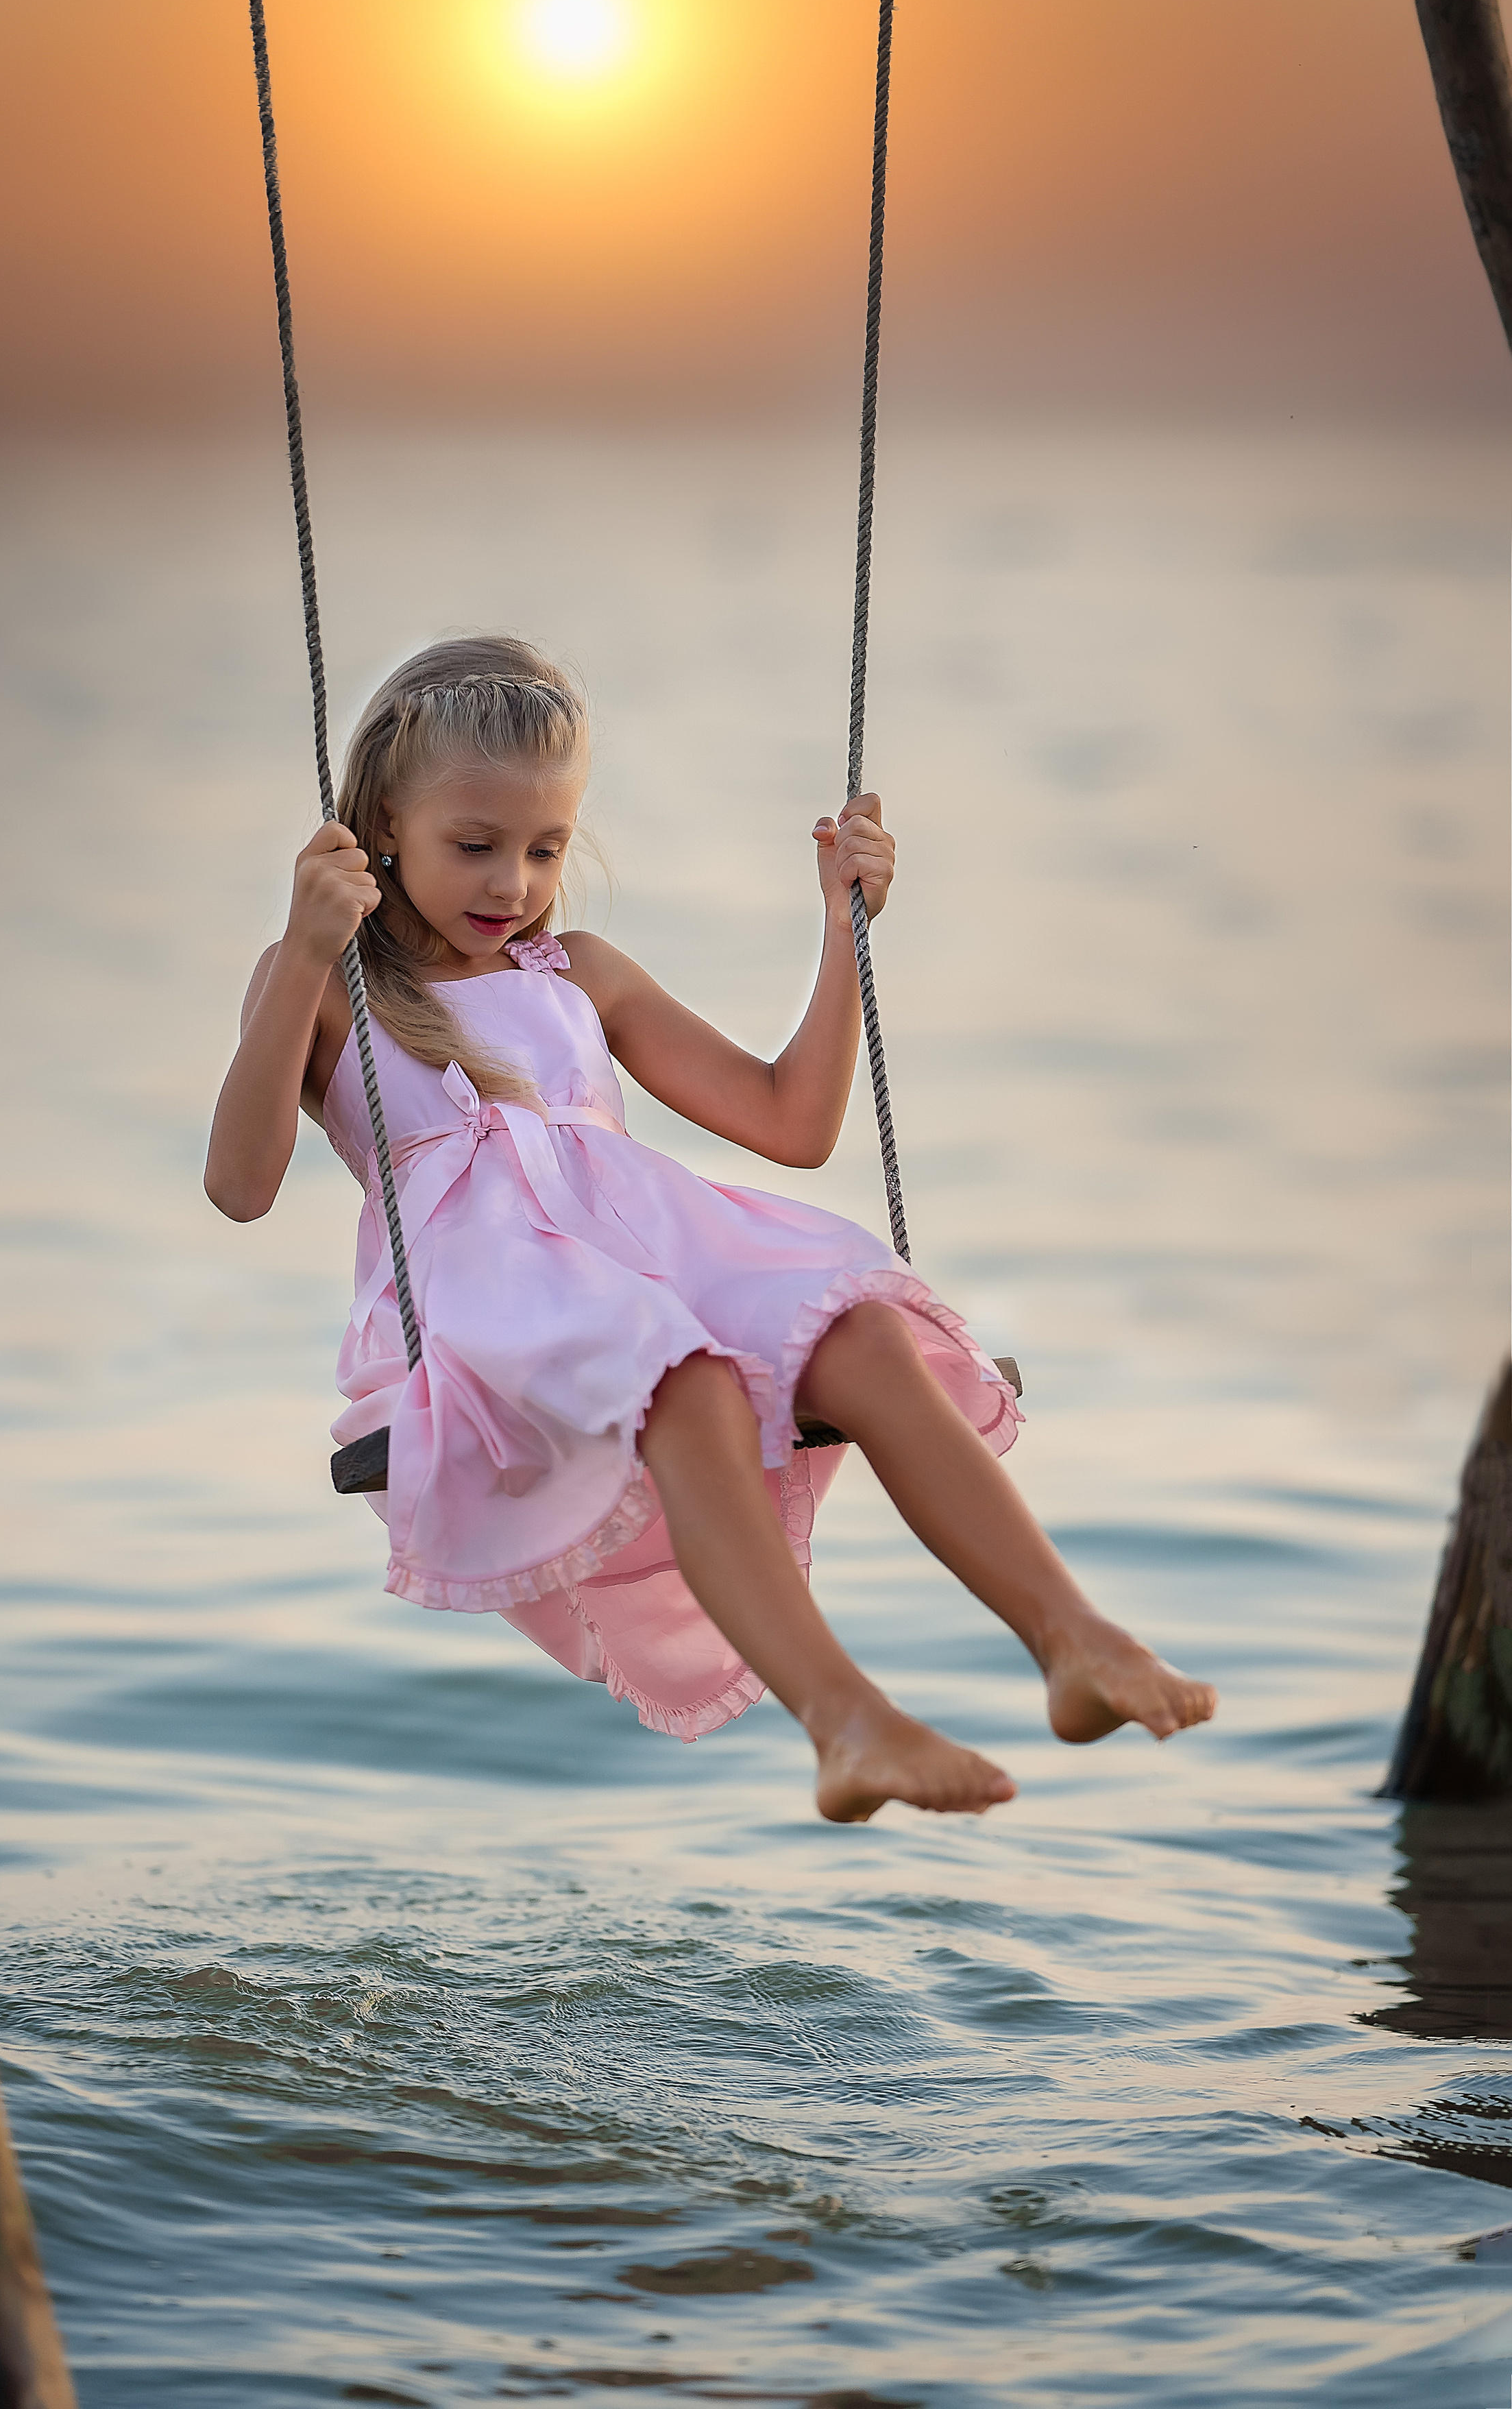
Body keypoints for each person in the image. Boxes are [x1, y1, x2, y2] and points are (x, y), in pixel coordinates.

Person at [206, 636, 1216, 1820]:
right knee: (682, 1384)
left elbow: (792, 1121)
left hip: (656, 1254)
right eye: (473, 846)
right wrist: (304, 950)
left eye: (546, 849)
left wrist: (844, 926)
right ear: (381, 822)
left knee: (867, 1335)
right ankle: (845, 1720)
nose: (513, 885)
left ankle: (1074, 1640)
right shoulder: (324, 983)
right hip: (500, 1306)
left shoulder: (578, 975)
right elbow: (240, 1183)